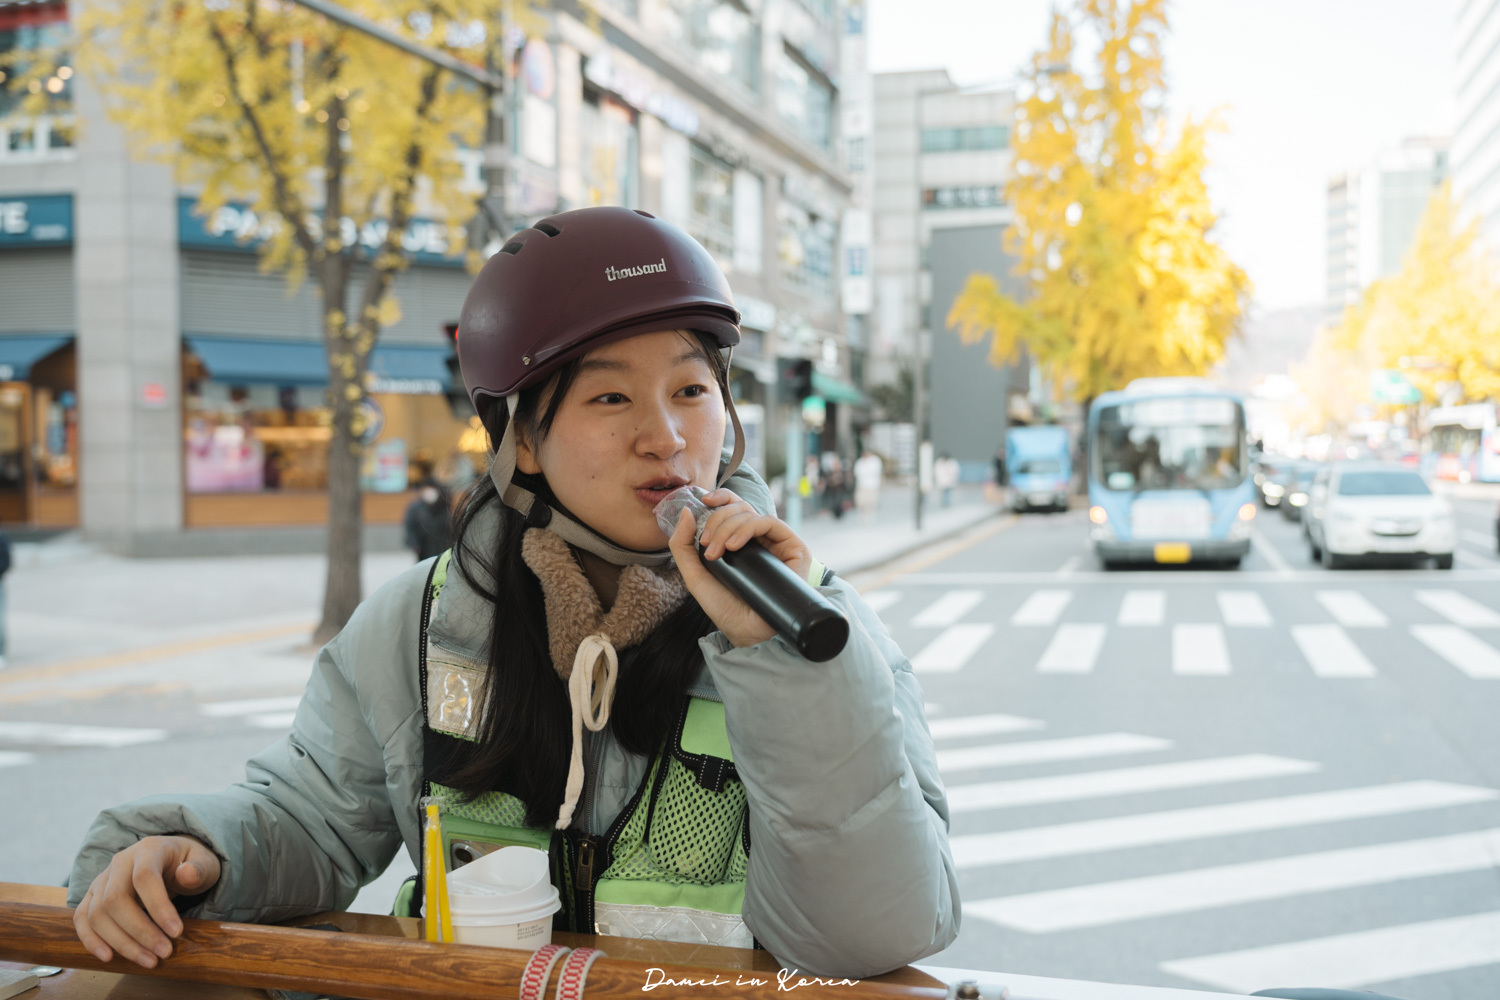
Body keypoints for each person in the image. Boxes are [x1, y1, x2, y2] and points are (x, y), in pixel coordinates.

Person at [66, 207, 958, 979]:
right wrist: (200, 853)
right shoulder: (422, 623)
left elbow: (870, 931)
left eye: (693, 390)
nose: (666, 436)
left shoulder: (815, 628)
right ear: (522, 442)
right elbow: (310, 821)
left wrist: (777, 659)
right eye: (610, 399)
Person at [402, 478, 452, 561]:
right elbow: (410, 526)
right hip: (423, 548)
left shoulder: (443, 505)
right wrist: (414, 544)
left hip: (442, 547)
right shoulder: (415, 508)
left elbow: (449, 526)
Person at [853, 449, 883, 522]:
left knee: (871, 500)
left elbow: (877, 471)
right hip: (862, 485)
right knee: (861, 500)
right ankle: (862, 513)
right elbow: (856, 472)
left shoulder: (875, 461)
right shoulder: (860, 462)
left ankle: (870, 514)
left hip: (872, 485)